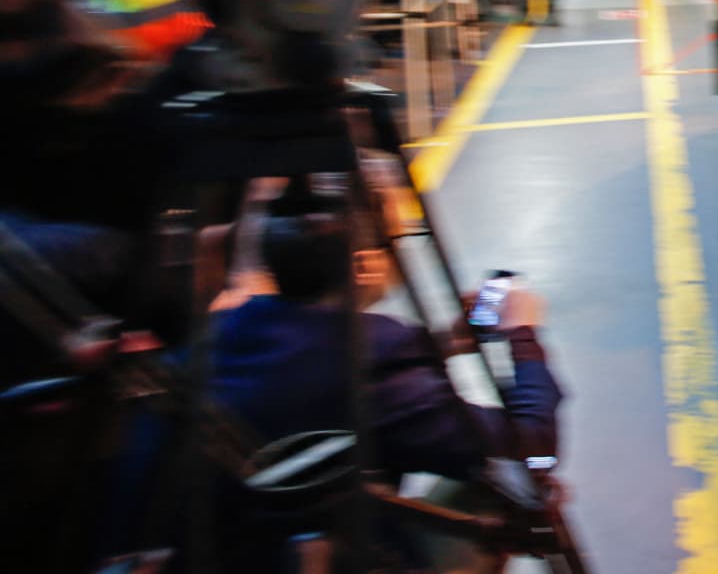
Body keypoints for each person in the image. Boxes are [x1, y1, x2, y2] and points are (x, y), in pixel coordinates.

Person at [114, 180, 564, 572]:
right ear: (365, 263)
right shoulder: (379, 357)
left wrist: (443, 342)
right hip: (303, 555)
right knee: (519, 488)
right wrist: (523, 334)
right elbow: (531, 444)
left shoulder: (221, 331)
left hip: (208, 549)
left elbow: (301, 369)